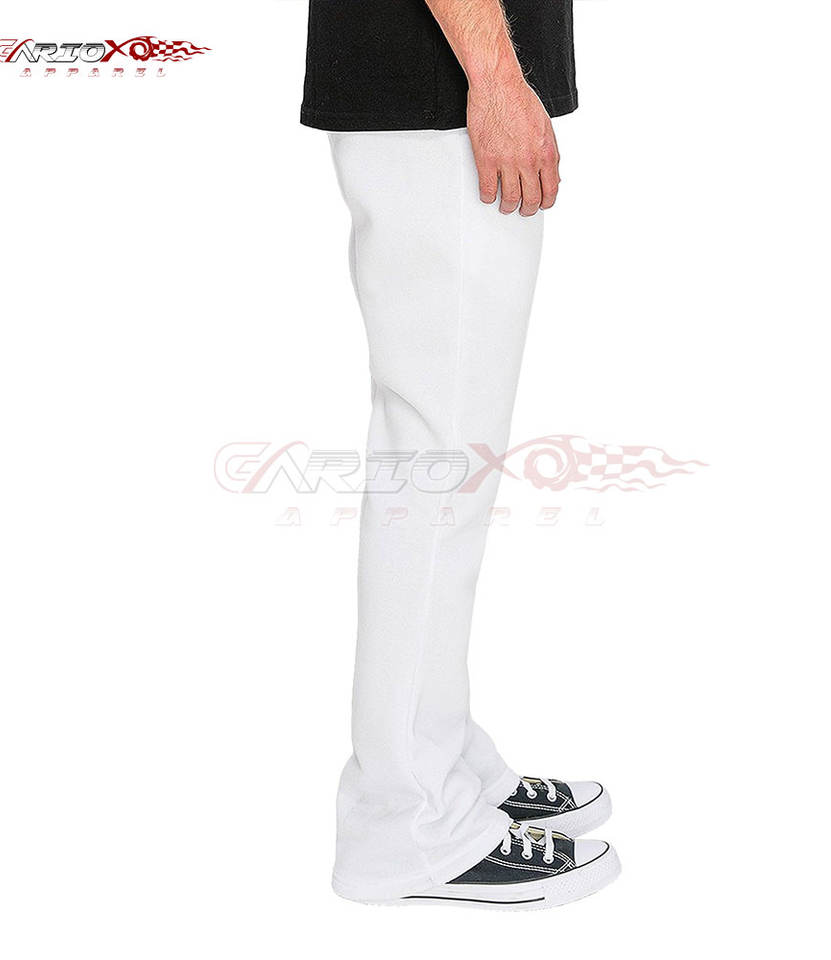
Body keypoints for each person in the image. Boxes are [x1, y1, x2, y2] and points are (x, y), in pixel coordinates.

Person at [301, 0, 620, 909]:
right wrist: (496, 78)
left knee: (446, 467)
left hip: (439, 90)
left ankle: (441, 763)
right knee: (436, 468)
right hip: (438, 92)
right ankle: (405, 821)